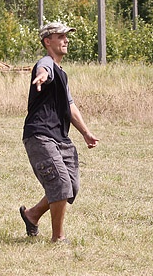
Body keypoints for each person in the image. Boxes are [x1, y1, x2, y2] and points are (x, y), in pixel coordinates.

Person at [19, 22, 99, 243]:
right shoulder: (46, 64)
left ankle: (32, 215)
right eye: (60, 36)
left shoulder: (62, 73)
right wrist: (42, 75)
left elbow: (70, 106)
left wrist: (85, 132)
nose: (66, 40)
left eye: (66, 36)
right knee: (61, 184)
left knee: (71, 187)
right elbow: (43, 68)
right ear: (48, 41)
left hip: (59, 137)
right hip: (40, 134)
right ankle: (58, 238)